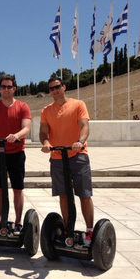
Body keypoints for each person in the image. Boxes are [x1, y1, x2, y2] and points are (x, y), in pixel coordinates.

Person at [39, 77, 94, 247]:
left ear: (63, 87)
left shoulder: (78, 105)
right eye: (51, 89)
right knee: (63, 195)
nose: (54, 91)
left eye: (57, 87)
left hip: (78, 155)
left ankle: (90, 230)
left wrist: (80, 141)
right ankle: (67, 229)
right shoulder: (46, 110)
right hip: (57, 156)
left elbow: (85, 126)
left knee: (84, 194)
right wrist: (46, 143)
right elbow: (43, 132)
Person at [0, 74, 31, 236]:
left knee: (17, 188)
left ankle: (18, 222)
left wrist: (17, 135)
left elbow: (26, 128)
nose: (6, 89)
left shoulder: (23, 106)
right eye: (3, 86)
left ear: (14, 89)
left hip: (16, 152)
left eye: (9, 87)